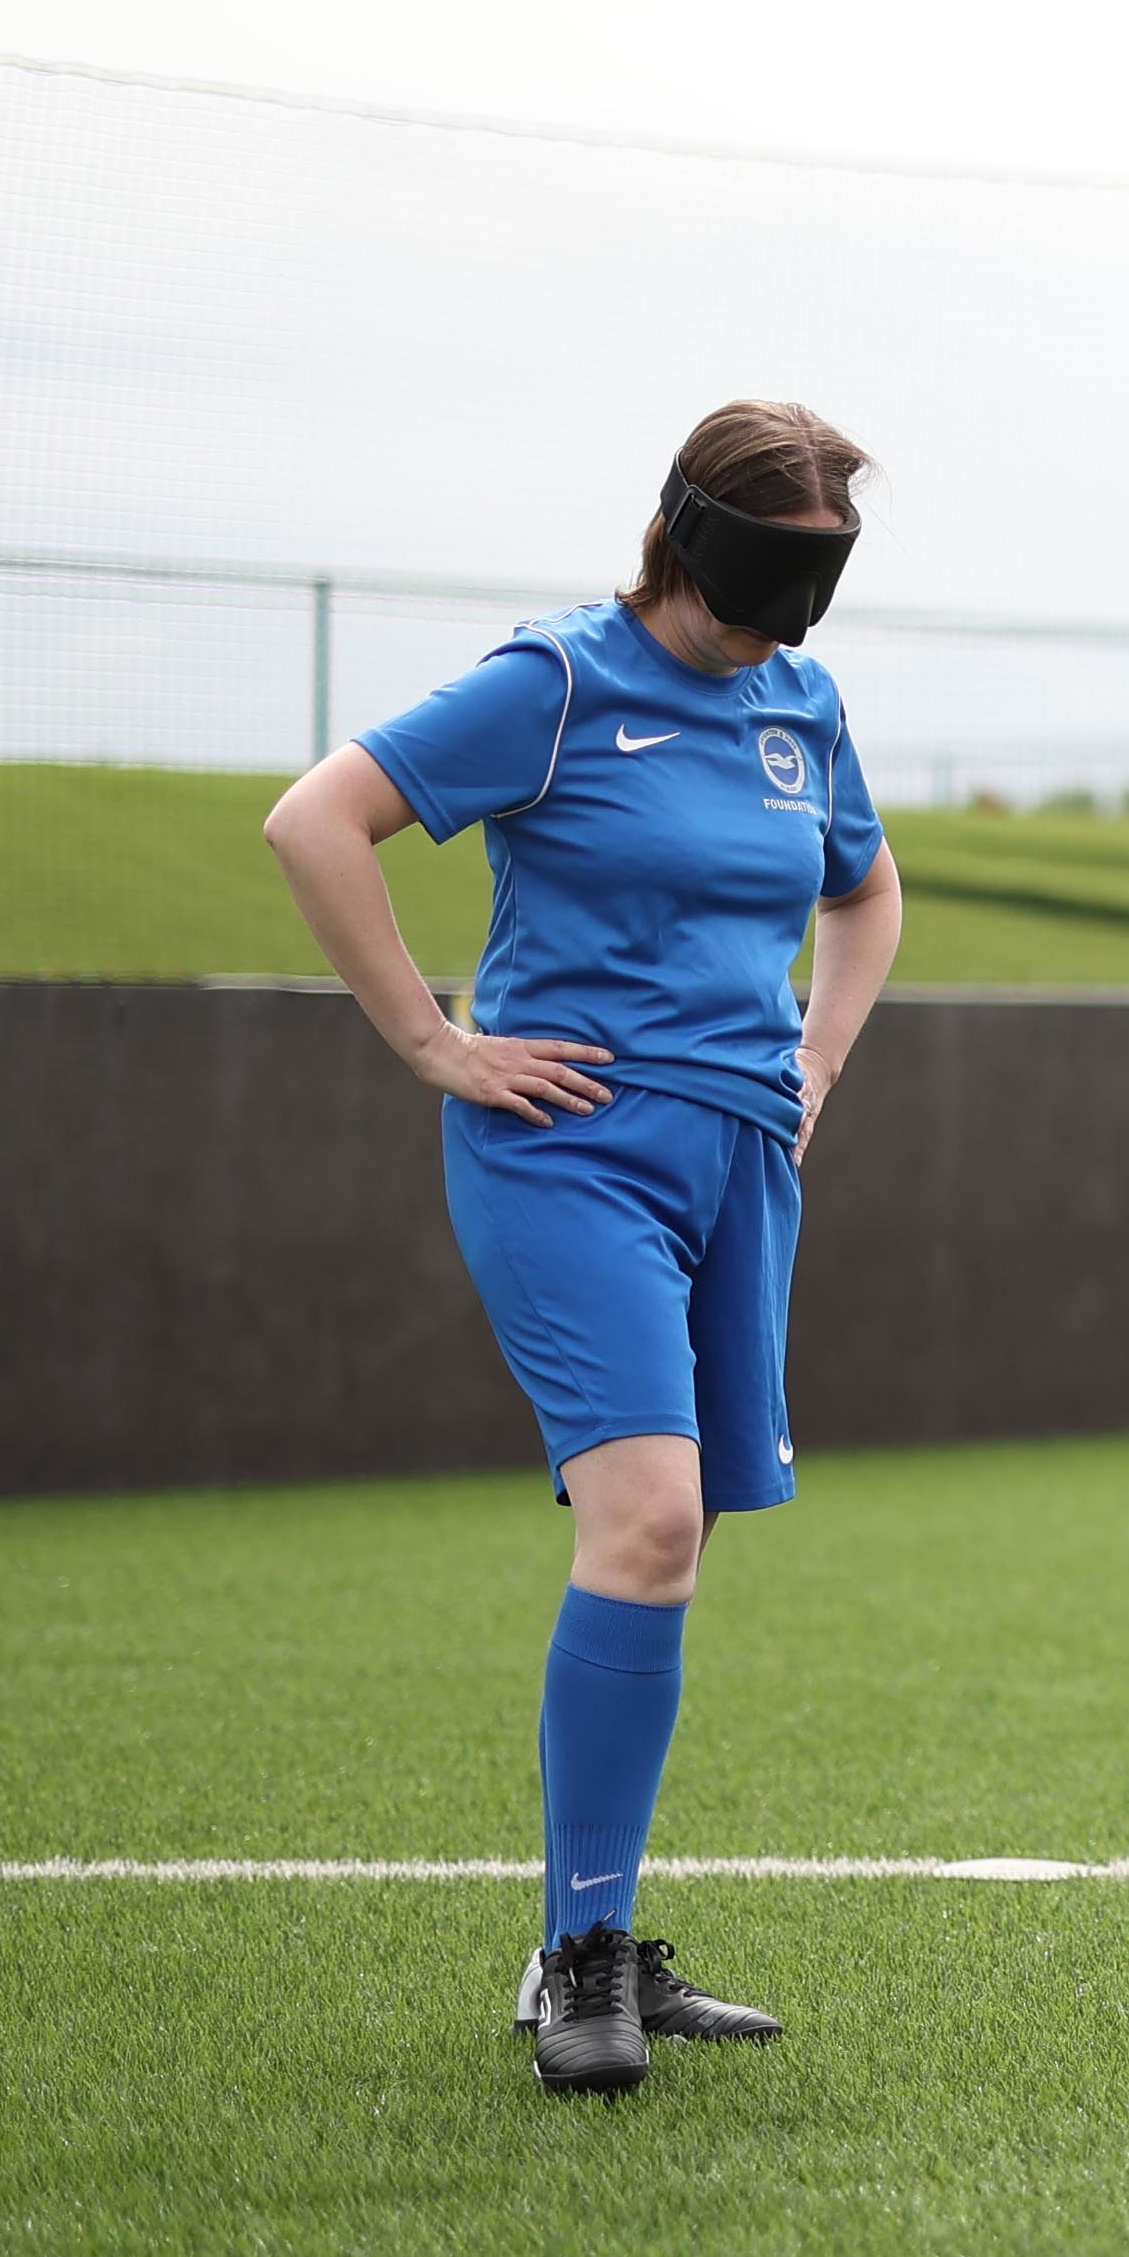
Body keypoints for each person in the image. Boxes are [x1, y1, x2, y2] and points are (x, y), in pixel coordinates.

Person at [261, 399, 904, 2096]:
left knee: (675, 1544)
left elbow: (864, 891)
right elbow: (313, 822)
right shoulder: (555, 682)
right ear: (692, 534)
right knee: (649, 1517)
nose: (794, 603)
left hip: (737, 1156)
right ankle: (586, 1962)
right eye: (780, 561)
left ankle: (583, 1936)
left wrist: (816, 1059)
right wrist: (433, 1043)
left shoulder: (801, 703)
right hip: (567, 1153)